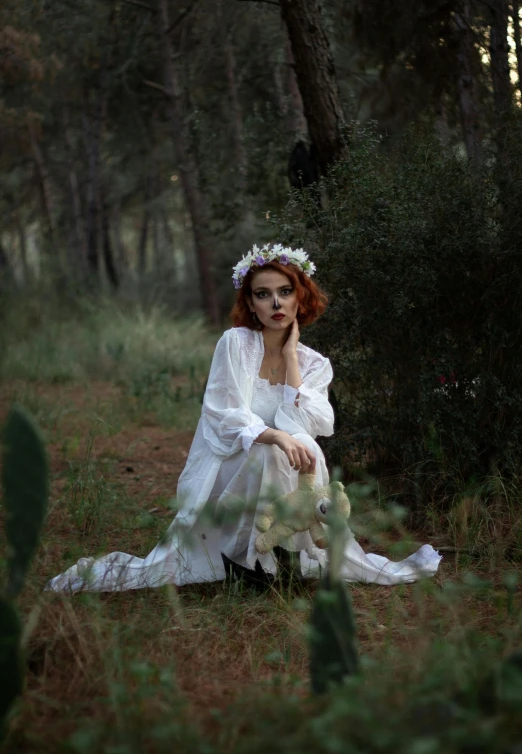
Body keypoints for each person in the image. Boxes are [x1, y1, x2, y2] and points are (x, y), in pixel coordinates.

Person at [46, 243, 441, 593]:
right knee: (269, 451)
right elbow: (224, 413)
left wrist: (290, 361)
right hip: (228, 459)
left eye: (285, 293)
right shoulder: (235, 343)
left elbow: (316, 424)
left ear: (299, 298)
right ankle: (249, 561)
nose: (276, 304)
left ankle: (281, 554)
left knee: (304, 447)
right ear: (250, 304)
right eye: (263, 295)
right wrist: (273, 436)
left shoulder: (315, 364)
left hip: (286, 461)